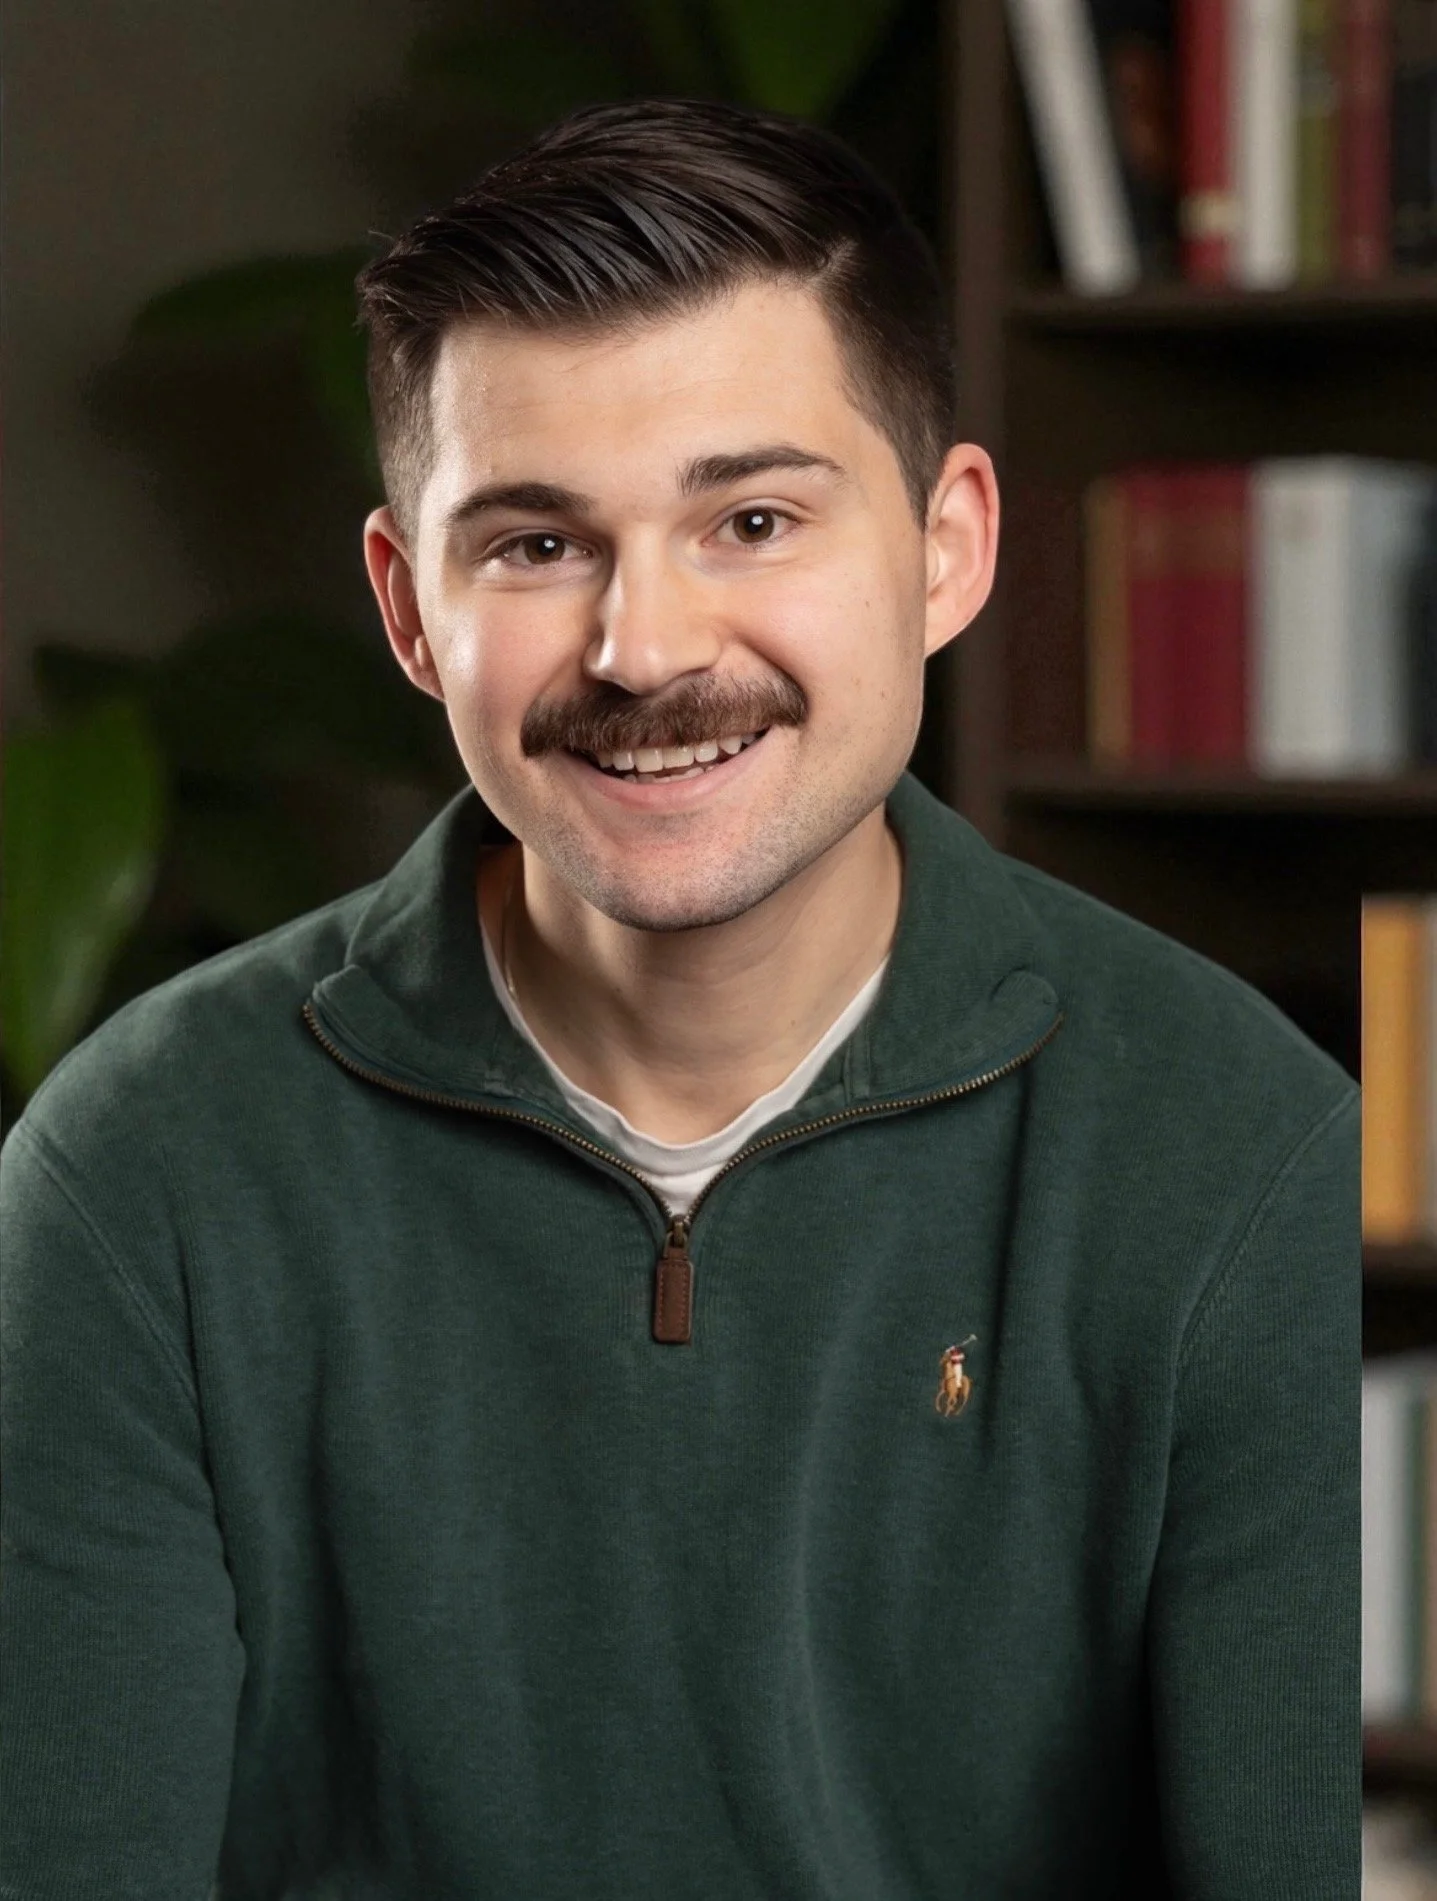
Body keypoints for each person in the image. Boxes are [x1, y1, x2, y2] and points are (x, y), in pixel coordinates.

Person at [0, 98, 1359, 1899]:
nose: (646, 650)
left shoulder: (1235, 1149)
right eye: (537, 546)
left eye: (754, 516)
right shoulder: (141, 1171)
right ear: (412, 614)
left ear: (946, 547)